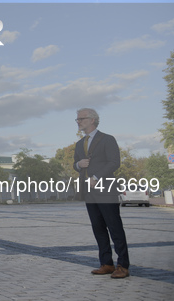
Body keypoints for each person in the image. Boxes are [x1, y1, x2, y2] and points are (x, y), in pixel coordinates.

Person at [73, 108, 130, 279]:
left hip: (106, 190)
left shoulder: (107, 139)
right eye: (77, 119)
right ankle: (106, 263)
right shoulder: (79, 143)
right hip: (89, 192)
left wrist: (96, 177)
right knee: (98, 228)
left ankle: (123, 265)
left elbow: (114, 162)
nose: (78, 121)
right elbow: (75, 164)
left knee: (115, 227)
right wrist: (78, 165)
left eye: (81, 119)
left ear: (92, 120)